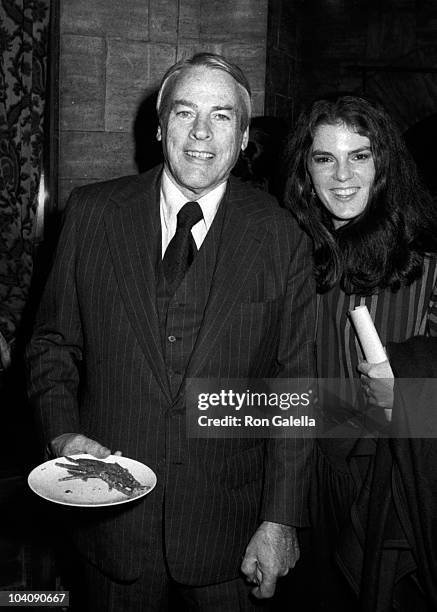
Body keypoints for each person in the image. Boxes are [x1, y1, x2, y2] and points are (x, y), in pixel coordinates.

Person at [26, 53, 316, 611]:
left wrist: (279, 519)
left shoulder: (281, 235)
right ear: (159, 126)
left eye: (222, 116)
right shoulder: (92, 213)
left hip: (230, 532)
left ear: (245, 134)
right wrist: (62, 436)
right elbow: (51, 346)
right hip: (112, 524)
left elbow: (295, 389)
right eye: (185, 113)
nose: (201, 133)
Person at [284, 95, 437, 610]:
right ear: (306, 171)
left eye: (360, 155)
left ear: (384, 166)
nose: (342, 174)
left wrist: (407, 400)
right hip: (306, 487)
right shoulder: (292, 266)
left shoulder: (429, 274)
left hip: (394, 495)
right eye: (325, 157)